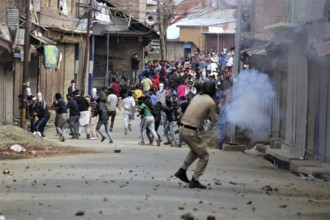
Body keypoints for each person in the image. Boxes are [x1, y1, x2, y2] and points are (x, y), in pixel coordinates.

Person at [174, 81, 218, 189]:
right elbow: (214, 120)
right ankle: (195, 179)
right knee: (204, 155)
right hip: (191, 131)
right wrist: (216, 110)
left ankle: (182, 170)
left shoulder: (197, 96)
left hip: (182, 129)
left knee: (195, 151)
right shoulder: (211, 102)